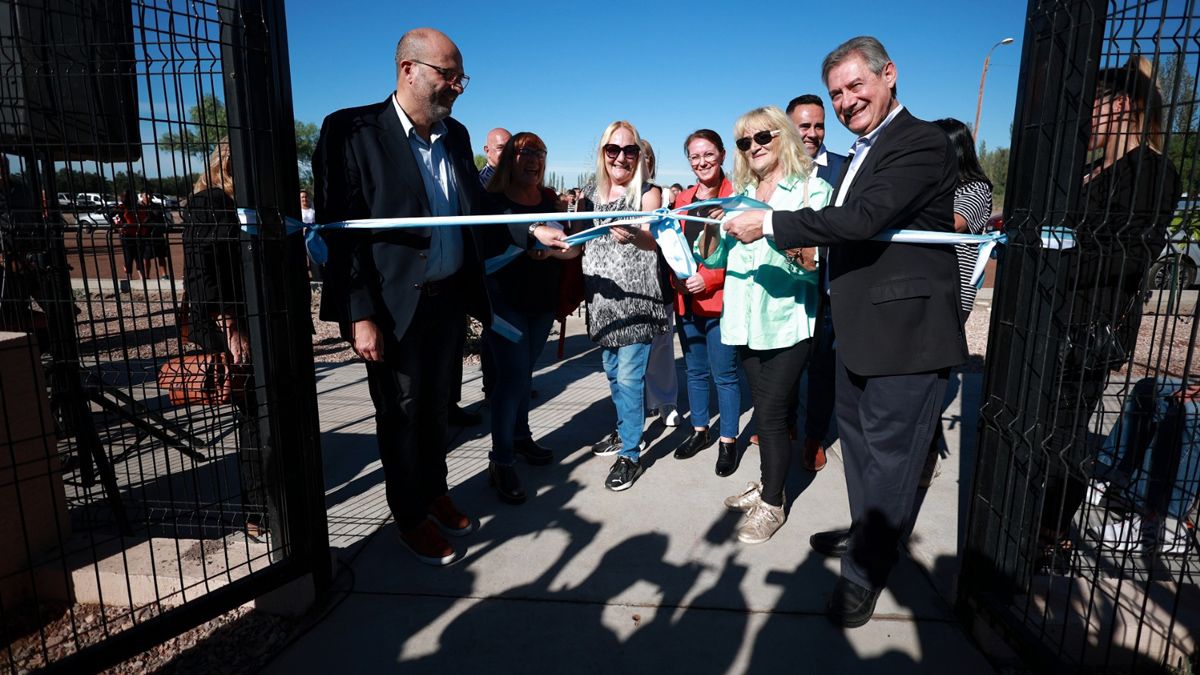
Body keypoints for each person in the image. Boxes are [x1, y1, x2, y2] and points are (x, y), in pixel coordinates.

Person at [725, 36, 967, 627]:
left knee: (891, 462)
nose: (846, 101)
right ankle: (868, 537)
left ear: (890, 76)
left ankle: (863, 574)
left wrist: (772, 224)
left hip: (906, 337)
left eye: (856, 86)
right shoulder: (865, 147)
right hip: (861, 332)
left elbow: (861, 219)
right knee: (861, 453)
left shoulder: (920, 141)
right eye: (837, 93)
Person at [314, 27, 485, 566]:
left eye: (462, 78)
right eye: (448, 75)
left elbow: (477, 211)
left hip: (447, 300)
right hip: (393, 309)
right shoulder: (351, 130)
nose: (458, 87)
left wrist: (532, 234)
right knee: (401, 413)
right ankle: (409, 516)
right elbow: (341, 235)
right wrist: (359, 313)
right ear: (409, 70)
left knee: (438, 407)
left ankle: (434, 491)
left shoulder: (454, 136)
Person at [1038, 56, 1181, 563]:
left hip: (1089, 327)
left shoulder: (1151, 171)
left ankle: (1049, 533)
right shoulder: (1094, 169)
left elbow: (1130, 253)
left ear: (1120, 106)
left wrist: (1055, 249)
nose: (1083, 119)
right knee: (1042, 426)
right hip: (1051, 319)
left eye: (1090, 106)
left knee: (1064, 432)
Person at [698, 107, 831, 544]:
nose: (753, 147)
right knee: (767, 413)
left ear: (785, 137)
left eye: (763, 137)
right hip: (743, 321)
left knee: (772, 415)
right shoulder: (740, 193)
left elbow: (814, 264)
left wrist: (768, 231)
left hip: (787, 323)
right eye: (743, 142)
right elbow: (716, 259)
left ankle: (774, 503)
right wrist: (715, 231)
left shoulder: (813, 189)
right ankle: (766, 485)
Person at [479, 132, 578, 504]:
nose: (533, 159)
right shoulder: (490, 200)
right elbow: (487, 244)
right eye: (524, 152)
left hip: (541, 303)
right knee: (510, 380)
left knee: (524, 376)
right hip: (503, 304)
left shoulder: (551, 200)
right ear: (508, 159)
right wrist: (528, 240)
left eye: (539, 152)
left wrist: (551, 254)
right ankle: (501, 460)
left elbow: (568, 250)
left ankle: (520, 438)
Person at [181, 140, 273, 539]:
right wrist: (231, 330)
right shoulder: (209, 204)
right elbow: (204, 279)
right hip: (230, 325)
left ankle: (270, 499)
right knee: (254, 416)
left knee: (263, 412)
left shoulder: (241, 206)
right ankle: (257, 510)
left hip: (249, 319)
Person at [581, 121, 670, 491]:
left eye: (629, 150)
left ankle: (630, 454)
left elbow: (653, 241)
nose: (621, 157)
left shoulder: (647, 193)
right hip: (602, 300)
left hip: (637, 301)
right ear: (603, 153)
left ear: (639, 154)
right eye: (613, 150)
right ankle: (624, 432)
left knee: (632, 379)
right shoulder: (588, 193)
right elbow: (577, 242)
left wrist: (633, 233)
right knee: (614, 375)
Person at [669, 129, 741, 473]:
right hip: (687, 301)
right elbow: (672, 247)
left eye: (708, 154)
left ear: (722, 155)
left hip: (719, 302)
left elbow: (743, 253)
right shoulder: (683, 200)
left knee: (724, 374)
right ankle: (700, 430)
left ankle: (728, 440)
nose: (701, 162)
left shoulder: (736, 198)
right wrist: (678, 279)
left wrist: (709, 278)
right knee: (695, 372)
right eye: (694, 156)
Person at [786, 93, 850, 471]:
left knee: (822, 366)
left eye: (818, 125)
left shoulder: (844, 168)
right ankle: (784, 422)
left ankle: (814, 434)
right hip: (786, 287)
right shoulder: (775, 170)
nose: (812, 133)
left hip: (826, 284)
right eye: (804, 126)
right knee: (786, 362)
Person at [638, 138, 680, 428]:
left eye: (644, 157)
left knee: (662, 348)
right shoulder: (611, 196)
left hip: (659, 282)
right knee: (631, 355)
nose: (638, 161)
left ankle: (666, 401)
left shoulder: (664, 197)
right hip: (626, 289)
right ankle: (638, 405)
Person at [139, 191, 171, 279]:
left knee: (161, 255)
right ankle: (146, 276)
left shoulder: (156, 206)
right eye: (146, 194)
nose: (148, 196)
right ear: (141, 195)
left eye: (150, 194)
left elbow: (161, 219)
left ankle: (164, 275)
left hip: (157, 233)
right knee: (146, 257)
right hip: (146, 235)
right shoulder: (139, 207)